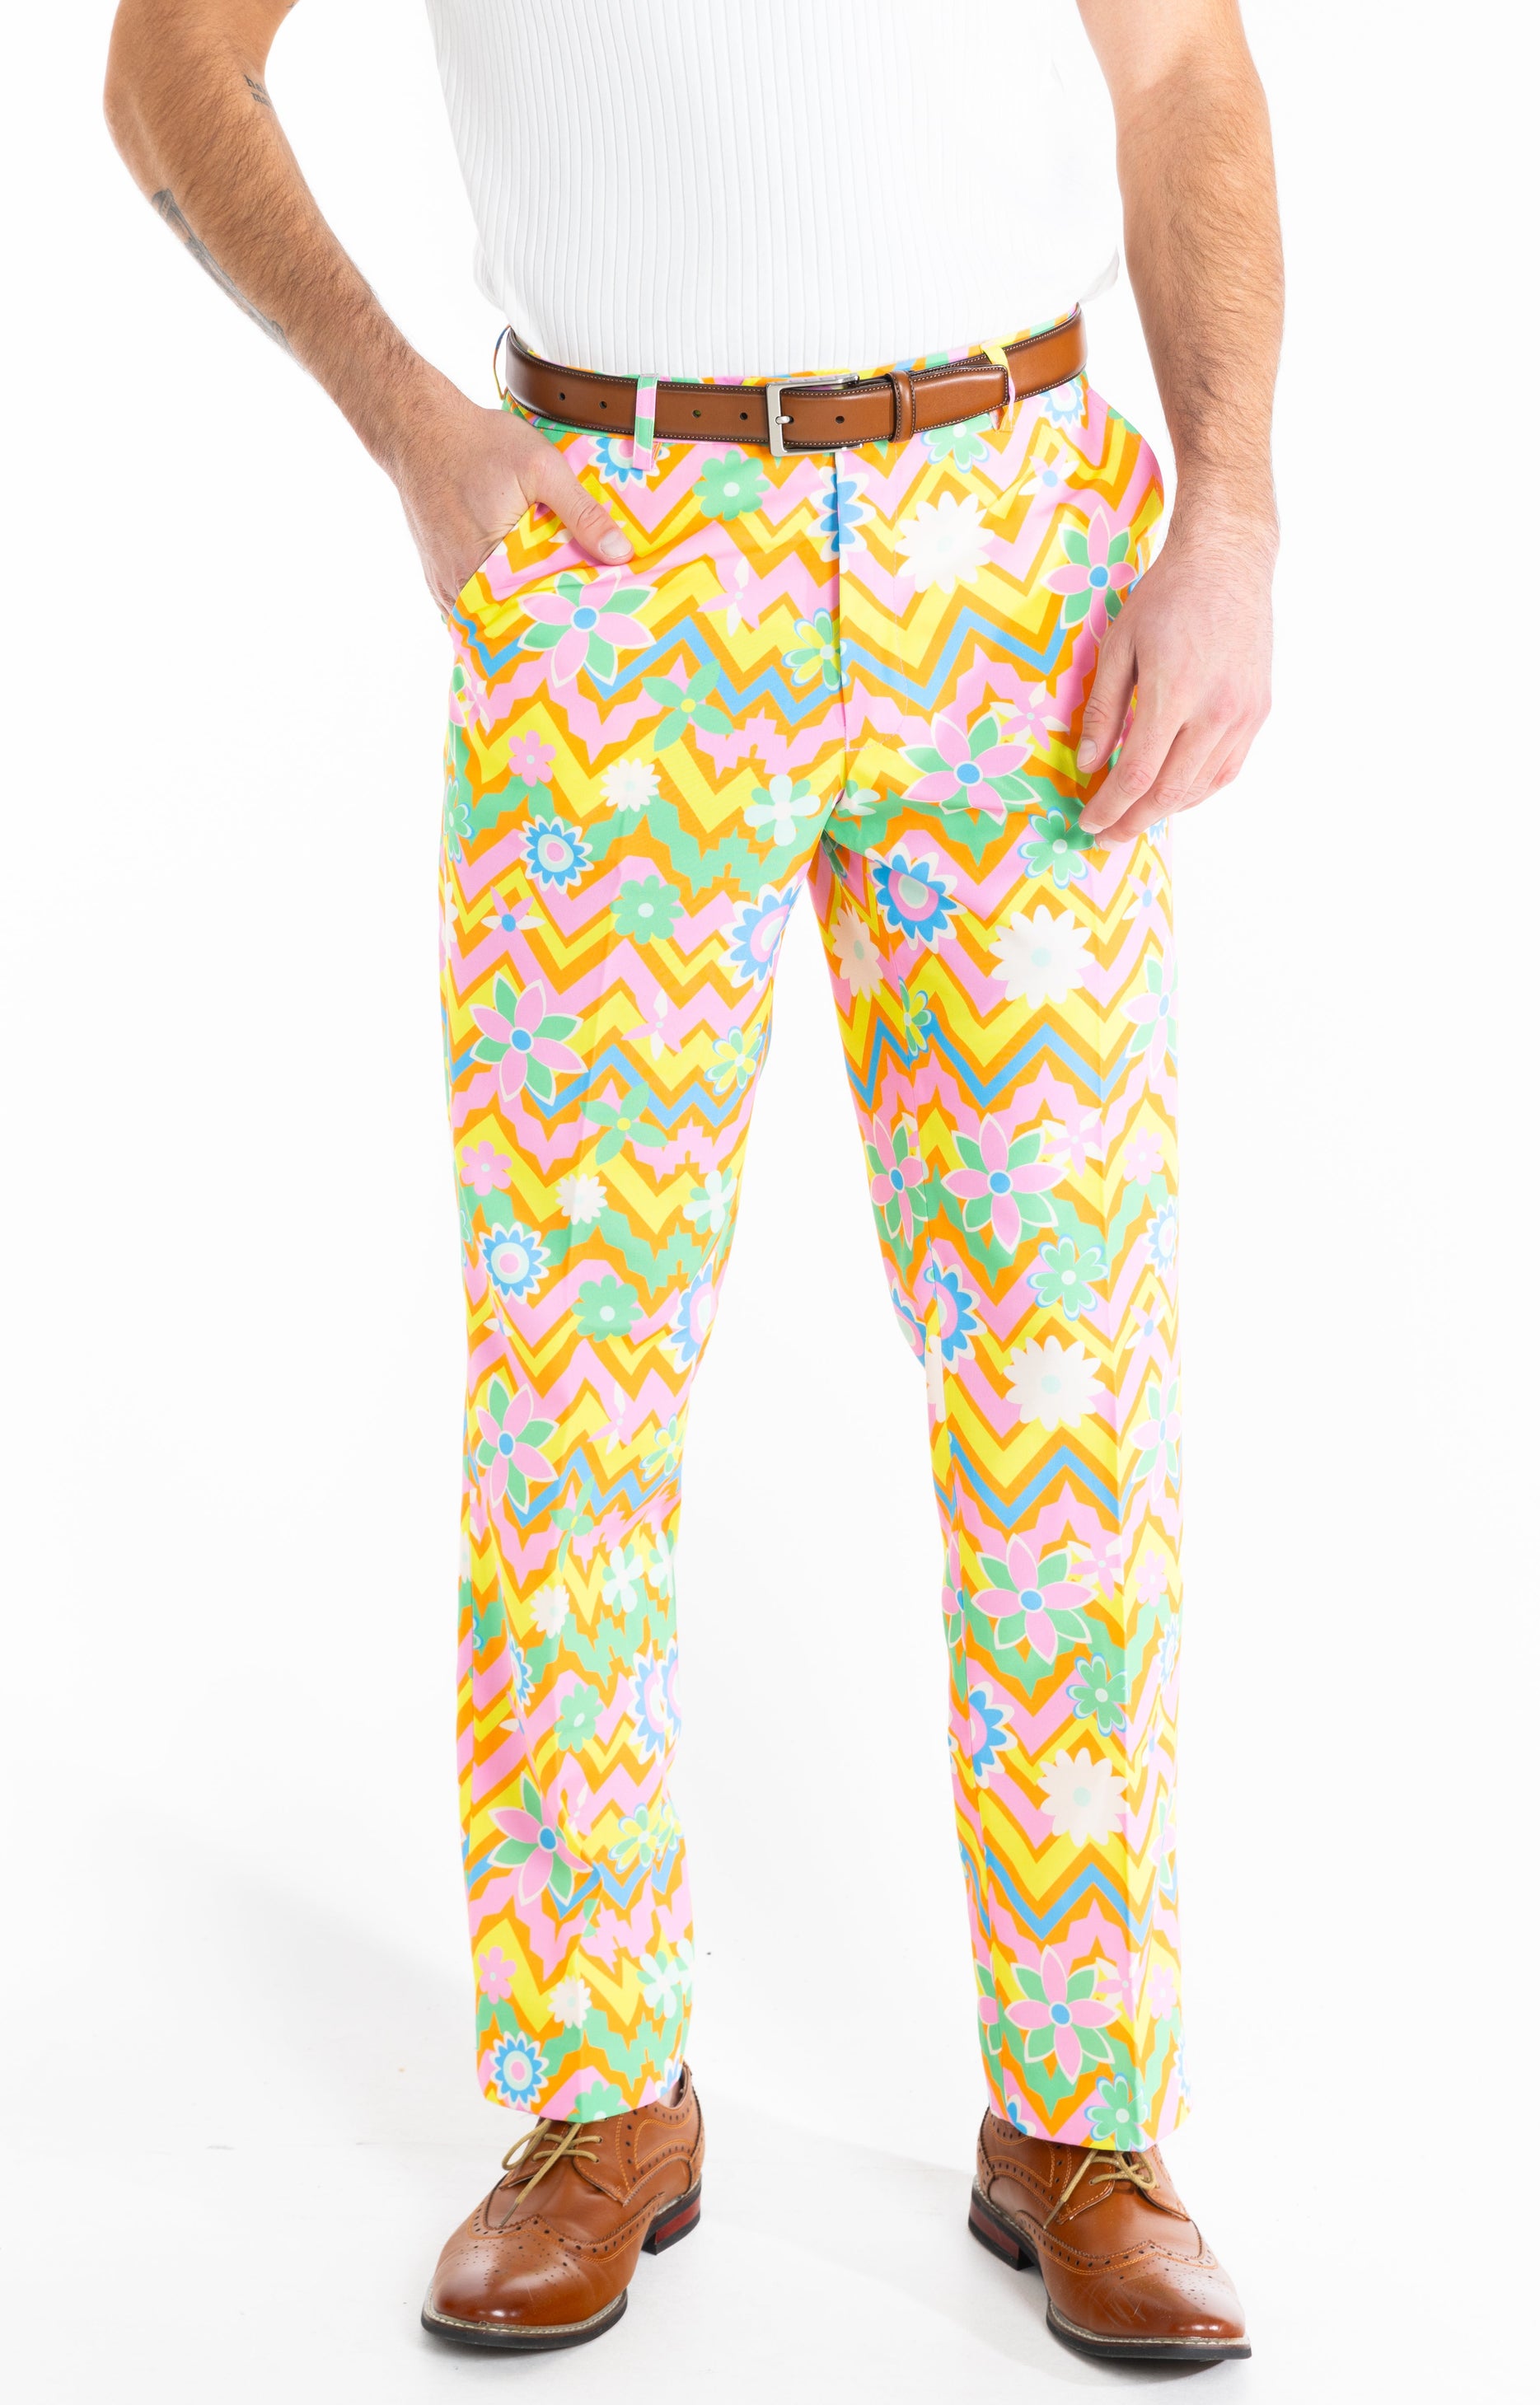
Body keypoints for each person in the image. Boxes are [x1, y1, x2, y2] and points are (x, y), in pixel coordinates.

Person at [105, 0, 1280, 2367]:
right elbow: (169, 69)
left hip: (1013, 560)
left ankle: (1085, 2121)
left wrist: (1231, 518)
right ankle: (593, 2101)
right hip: (608, 559)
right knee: (574, 1381)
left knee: (1061, 1377)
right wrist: (410, 424)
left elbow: (1179, 73)